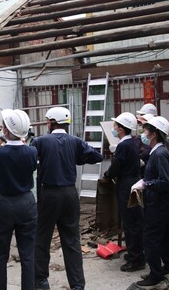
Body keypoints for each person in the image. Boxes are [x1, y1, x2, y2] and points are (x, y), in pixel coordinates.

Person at [32, 107, 103, 290]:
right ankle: (78, 285)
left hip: (49, 195)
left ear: (52, 122)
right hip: (70, 195)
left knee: (42, 239)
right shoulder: (76, 141)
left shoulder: (40, 141)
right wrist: (77, 156)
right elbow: (96, 156)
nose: (47, 124)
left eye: (48, 121)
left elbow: (27, 159)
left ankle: (41, 281)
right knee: (72, 241)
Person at [0, 109, 38, 290]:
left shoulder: (0, 153)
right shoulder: (32, 152)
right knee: (28, 255)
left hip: (4, 205)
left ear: (6, 130)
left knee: (0, 255)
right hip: (26, 203)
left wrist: (1, 138)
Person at [131, 116, 169, 289]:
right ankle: (168, 267)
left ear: (154, 134)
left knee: (151, 238)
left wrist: (146, 184)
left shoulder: (159, 154)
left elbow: (166, 182)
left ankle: (155, 274)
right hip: (161, 202)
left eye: (146, 130)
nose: (144, 133)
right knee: (166, 235)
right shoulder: (158, 152)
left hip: (159, 203)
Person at [103, 112, 144, 272]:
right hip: (133, 182)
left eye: (115, 126)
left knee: (130, 222)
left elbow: (115, 167)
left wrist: (107, 175)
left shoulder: (123, 146)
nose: (113, 128)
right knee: (134, 220)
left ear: (120, 129)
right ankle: (137, 253)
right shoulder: (131, 143)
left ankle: (136, 259)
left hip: (126, 185)